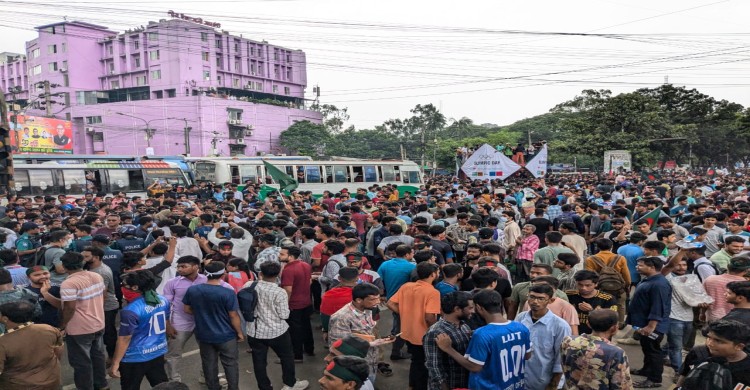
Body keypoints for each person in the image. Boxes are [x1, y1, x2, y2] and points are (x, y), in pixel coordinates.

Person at [434, 289, 531, 390]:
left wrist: (449, 349)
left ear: (479, 307)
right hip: (515, 385)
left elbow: (475, 367)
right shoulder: (521, 327)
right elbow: (528, 355)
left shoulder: (482, 334)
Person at [246, 261, 309, 390]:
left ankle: (265, 387)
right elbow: (284, 315)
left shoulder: (250, 285)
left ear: (261, 273)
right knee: (287, 357)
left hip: (254, 331)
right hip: (277, 331)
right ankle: (289, 384)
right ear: (278, 273)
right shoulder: (280, 292)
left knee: (259, 361)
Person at [182, 262, 243, 390]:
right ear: (222, 274)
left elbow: (187, 309)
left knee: (209, 363)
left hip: (204, 334)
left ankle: (213, 387)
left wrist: (201, 313)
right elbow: (233, 315)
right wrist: (239, 332)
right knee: (230, 364)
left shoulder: (193, 290)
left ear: (205, 273)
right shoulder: (227, 292)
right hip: (226, 335)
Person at [110, 270, 170, 390]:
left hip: (135, 356)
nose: (122, 288)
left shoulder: (131, 310)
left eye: (124, 285)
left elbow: (125, 338)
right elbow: (167, 321)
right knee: (162, 386)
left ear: (135, 287)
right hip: (157, 351)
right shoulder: (162, 299)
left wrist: (115, 362)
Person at [387, 262, 441, 390]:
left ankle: (412, 385)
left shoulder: (407, 286)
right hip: (423, 335)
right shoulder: (433, 292)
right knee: (424, 364)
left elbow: (390, 303)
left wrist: (405, 313)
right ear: (433, 274)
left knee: (416, 361)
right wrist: (436, 330)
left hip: (407, 332)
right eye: (438, 272)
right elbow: (429, 317)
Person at [59, 251, 109, 390]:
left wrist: (62, 325)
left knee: (81, 363)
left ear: (64, 266)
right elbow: (103, 294)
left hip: (79, 329)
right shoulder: (96, 275)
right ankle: (102, 385)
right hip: (98, 323)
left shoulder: (69, 283)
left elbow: (69, 308)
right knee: (98, 356)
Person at [515, 283, 572, 390]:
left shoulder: (560, 325)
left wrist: (553, 385)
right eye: (532, 297)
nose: (535, 302)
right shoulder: (521, 318)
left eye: (541, 298)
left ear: (551, 300)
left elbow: (561, 358)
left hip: (544, 381)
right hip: (519, 378)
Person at [561, 309, 633, 390]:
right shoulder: (616, 352)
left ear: (588, 324)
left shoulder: (569, 340)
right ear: (614, 328)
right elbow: (621, 383)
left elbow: (563, 365)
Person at [627, 256, 672, 388]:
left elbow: (657, 307)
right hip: (644, 324)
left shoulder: (658, 284)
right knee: (647, 348)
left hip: (652, 326)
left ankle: (654, 379)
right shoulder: (649, 280)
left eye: (640, 265)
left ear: (652, 267)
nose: (637, 267)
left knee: (653, 351)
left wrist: (651, 326)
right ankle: (646, 370)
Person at [0, 301, 65, 390]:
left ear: (5, 319)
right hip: (51, 381)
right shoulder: (48, 329)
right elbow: (58, 351)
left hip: (18, 385)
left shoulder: (3, 341)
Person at [329, 282, 382, 383]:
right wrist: (369, 344)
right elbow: (337, 347)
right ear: (358, 300)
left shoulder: (368, 309)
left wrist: (376, 342)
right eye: (373, 299)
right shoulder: (342, 317)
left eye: (378, 298)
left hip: (370, 364)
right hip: (354, 369)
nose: (378, 302)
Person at [676, 320, 750, 389]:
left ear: (739, 346)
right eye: (709, 338)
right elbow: (684, 375)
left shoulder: (747, 368)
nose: (709, 343)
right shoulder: (699, 352)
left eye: (718, 341)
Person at [423, 291, 473, 390]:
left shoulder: (464, 326)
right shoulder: (436, 332)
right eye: (470, 308)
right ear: (457, 309)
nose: (473, 311)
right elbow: (434, 366)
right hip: (449, 385)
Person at [377, 244, 416, 360]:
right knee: (403, 326)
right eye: (412, 253)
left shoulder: (385, 264)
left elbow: (378, 280)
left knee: (397, 321)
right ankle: (396, 352)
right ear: (407, 254)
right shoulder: (411, 267)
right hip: (406, 301)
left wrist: (382, 294)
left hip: (391, 299)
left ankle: (396, 338)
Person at [279, 245, 315, 362]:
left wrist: (284, 304)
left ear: (290, 256)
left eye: (282, 254)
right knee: (306, 327)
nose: (279, 256)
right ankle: (309, 349)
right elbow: (309, 281)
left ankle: (297, 355)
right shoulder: (305, 265)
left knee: (295, 331)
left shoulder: (288, 270)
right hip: (306, 301)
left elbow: (288, 289)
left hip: (294, 304)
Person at [584, 238, 630, 328]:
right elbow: (626, 276)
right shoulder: (620, 258)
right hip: (618, 289)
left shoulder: (590, 259)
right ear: (611, 247)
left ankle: (600, 323)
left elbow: (589, 276)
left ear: (598, 247)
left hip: (600, 288)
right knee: (620, 305)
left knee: (600, 306)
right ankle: (619, 324)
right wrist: (626, 286)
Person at [566, 270, 618, 335]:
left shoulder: (608, 298)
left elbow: (610, 321)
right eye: (580, 284)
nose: (583, 288)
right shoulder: (568, 295)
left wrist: (592, 311)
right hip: (572, 334)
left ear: (596, 284)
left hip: (597, 336)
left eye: (588, 285)